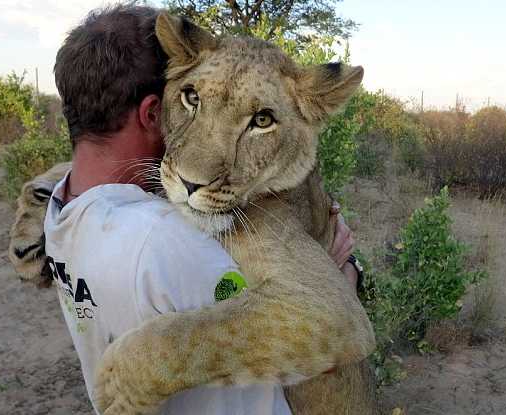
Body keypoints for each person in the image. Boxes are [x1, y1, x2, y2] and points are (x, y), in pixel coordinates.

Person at [45, 3, 360, 414]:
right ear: (154, 110)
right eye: (191, 97)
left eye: (261, 120)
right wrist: (347, 272)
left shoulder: (66, 207)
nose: (196, 171)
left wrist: (150, 361)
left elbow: (332, 326)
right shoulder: (163, 241)